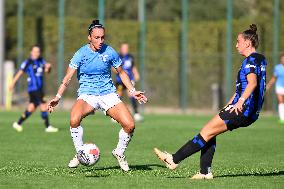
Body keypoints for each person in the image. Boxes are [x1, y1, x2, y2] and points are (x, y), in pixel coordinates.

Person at [154, 24, 267, 179]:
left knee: (206, 132)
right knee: (210, 131)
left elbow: (252, 83)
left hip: (243, 109)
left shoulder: (250, 61)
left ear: (248, 43)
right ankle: (205, 172)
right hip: (249, 111)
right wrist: (228, 106)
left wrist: (240, 102)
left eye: (238, 41)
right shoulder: (260, 59)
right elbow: (243, 89)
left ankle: (173, 159)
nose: (236, 45)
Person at [47, 20, 147, 171]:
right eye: (97, 37)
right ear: (89, 37)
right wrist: (58, 96)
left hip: (108, 94)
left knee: (130, 125)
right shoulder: (80, 54)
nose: (100, 41)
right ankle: (81, 152)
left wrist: (132, 91)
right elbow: (68, 77)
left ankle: (119, 152)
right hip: (87, 95)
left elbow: (121, 72)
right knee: (74, 119)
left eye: (103, 37)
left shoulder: (109, 51)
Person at [9, 45, 58, 133]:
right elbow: (20, 72)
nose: (37, 53)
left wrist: (48, 67)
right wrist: (12, 83)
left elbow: (47, 71)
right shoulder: (28, 62)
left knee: (31, 108)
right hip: (34, 88)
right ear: (31, 52)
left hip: (38, 88)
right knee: (43, 105)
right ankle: (48, 126)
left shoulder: (41, 61)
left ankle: (18, 123)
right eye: (35, 51)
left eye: (38, 51)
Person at [114, 43, 143, 122]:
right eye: (124, 48)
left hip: (129, 80)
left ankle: (136, 114)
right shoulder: (117, 57)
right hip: (120, 80)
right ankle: (115, 115)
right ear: (121, 48)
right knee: (118, 96)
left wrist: (136, 73)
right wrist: (119, 71)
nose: (125, 49)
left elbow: (133, 67)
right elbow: (113, 69)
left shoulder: (130, 57)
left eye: (126, 48)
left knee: (132, 95)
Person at [267, 53, 284, 123]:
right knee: (281, 101)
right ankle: (282, 118)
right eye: (283, 58)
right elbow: (274, 78)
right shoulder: (277, 67)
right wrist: (268, 85)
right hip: (279, 86)